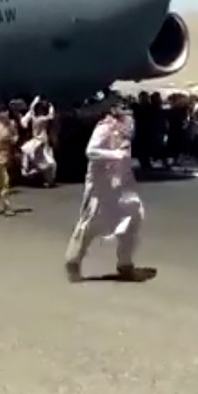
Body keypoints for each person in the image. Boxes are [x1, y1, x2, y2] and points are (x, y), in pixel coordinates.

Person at [65, 101, 146, 282]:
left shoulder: (125, 132)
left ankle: (125, 264)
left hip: (122, 183)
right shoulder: (105, 128)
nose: (131, 119)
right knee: (92, 222)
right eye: (127, 113)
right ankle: (73, 261)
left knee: (134, 216)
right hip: (101, 184)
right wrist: (114, 155)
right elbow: (90, 151)